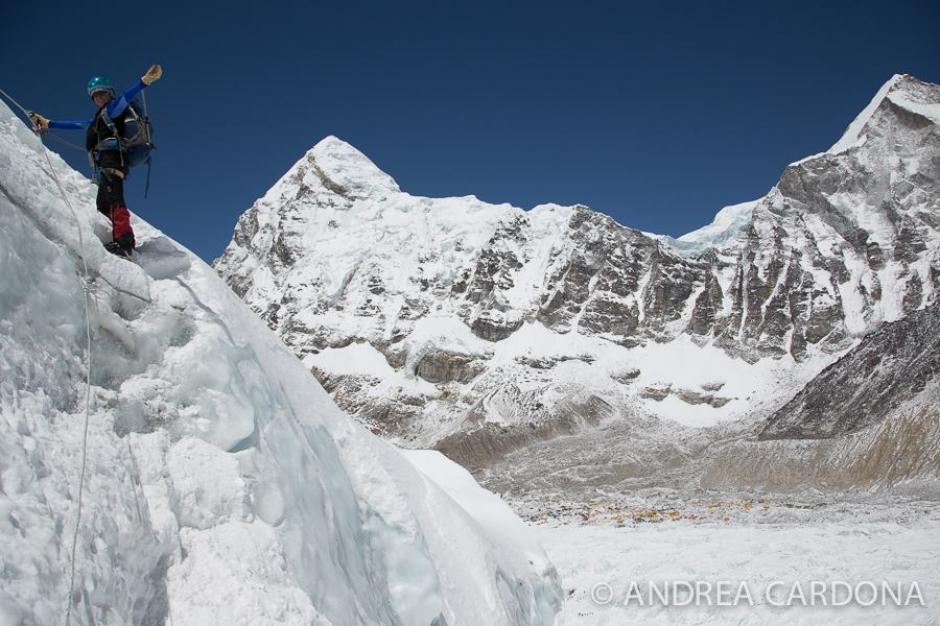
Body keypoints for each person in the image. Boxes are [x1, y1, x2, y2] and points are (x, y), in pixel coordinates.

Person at [29, 65, 162, 257]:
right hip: (106, 162)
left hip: (114, 160)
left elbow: (126, 96)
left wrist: (143, 82)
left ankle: (124, 242)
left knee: (114, 197)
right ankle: (113, 235)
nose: (98, 98)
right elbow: (75, 125)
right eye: (95, 96)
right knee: (102, 203)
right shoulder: (99, 118)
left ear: (109, 94)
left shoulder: (114, 109)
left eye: (102, 94)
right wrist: (48, 122)